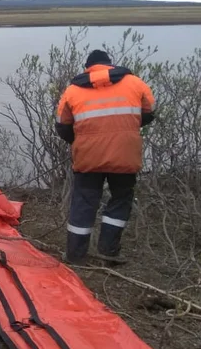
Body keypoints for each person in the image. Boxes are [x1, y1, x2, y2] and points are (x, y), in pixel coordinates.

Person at [55, 49, 155, 266]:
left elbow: (62, 126)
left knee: (84, 202)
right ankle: (108, 252)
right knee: (120, 200)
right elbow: (148, 113)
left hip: (88, 157)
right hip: (125, 155)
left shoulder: (73, 90)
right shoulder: (135, 83)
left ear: (88, 68)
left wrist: (81, 140)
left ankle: (76, 256)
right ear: (110, 64)